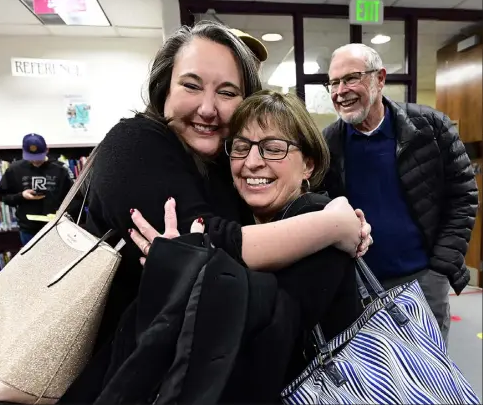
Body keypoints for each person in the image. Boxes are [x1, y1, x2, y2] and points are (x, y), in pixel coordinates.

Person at [59, 22, 371, 403]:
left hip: (197, 375)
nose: (208, 108)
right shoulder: (135, 143)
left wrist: (338, 218)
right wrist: (332, 225)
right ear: (165, 88)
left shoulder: (223, 165)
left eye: (227, 92)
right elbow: (217, 242)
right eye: (191, 85)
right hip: (133, 373)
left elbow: (221, 258)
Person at [126, 90, 362, 399]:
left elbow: (258, 352)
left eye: (273, 148)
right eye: (241, 147)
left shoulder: (315, 222)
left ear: (308, 164)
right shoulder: (245, 221)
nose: (252, 162)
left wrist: (190, 274)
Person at [320, 43, 479, 344]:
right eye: (334, 82)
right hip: (359, 285)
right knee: (372, 378)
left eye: (351, 78)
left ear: (379, 79)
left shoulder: (431, 128)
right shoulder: (327, 145)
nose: (340, 90)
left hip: (422, 280)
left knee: (430, 376)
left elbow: (463, 196)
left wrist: (440, 267)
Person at [0, 133, 74, 246]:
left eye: (38, 157)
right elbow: (4, 197)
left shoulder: (60, 169)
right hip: (28, 229)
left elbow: (74, 197)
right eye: (31, 158)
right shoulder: (14, 169)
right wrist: (21, 196)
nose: (35, 161)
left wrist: (64, 211)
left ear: (47, 150)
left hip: (56, 227)